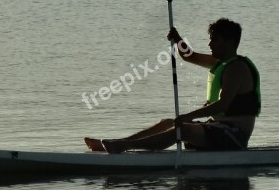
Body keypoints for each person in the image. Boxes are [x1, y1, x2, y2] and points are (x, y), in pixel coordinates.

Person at [84, 18, 261, 154]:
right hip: (218, 129)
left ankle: (125, 146)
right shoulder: (220, 62)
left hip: (234, 136)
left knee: (181, 128)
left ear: (229, 42)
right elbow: (189, 56)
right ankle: (119, 143)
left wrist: (187, 117)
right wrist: (177, 40)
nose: (209, 44)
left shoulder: (237, 68)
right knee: (167, 123)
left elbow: (223, 105)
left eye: (214, 39)